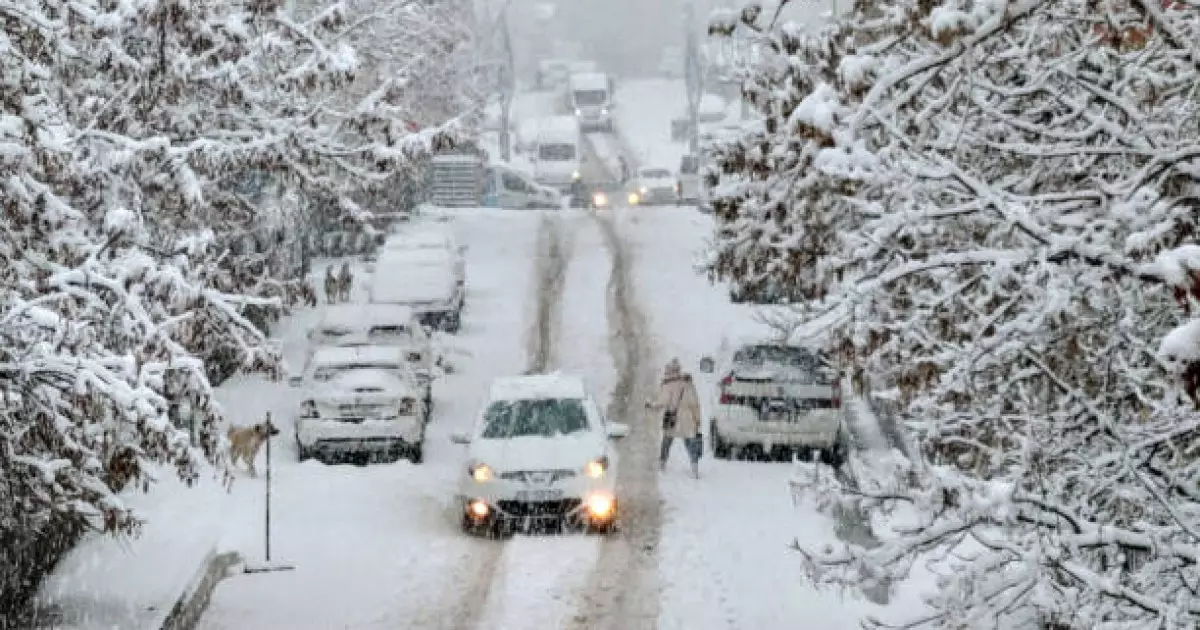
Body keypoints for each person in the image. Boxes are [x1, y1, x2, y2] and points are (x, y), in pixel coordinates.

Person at [646, 358, 703, 478]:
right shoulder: (688, 384)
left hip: (673, 417)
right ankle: (694, 468)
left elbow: (663, 401)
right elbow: (695, 404)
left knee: (667, 441)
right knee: (690, 444)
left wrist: (651, 405)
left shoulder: (668, 385)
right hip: (688, 418)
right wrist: (697, 420)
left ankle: (662, 464)